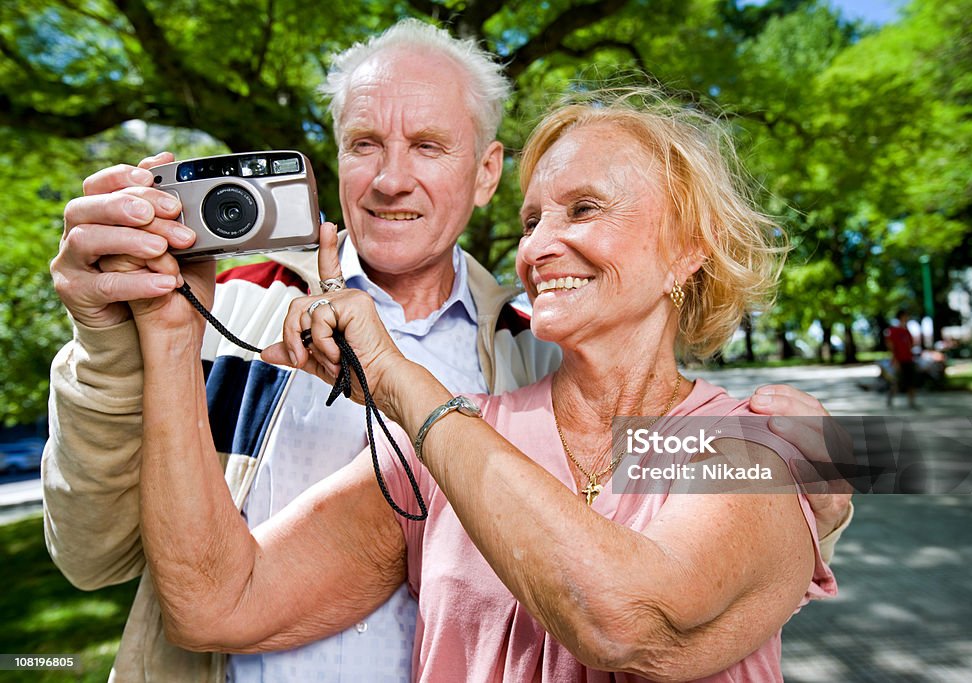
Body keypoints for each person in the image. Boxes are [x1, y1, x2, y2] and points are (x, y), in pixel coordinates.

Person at [43, 20, 851, 683]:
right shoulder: (449, 433)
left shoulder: (746, 435)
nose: (541, 246)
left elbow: (638, 617)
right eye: (535, 222)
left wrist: (816, 495)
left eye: (584, 207)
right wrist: (162, 335)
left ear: (687, 252)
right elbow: (212, 598)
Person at [884, 309, 918, 409]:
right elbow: (890, 345)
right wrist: (895, 359)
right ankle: (890, 397)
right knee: (897, 381)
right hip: (898, 360)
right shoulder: (894, 330)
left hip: (908, 359)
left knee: (911, 381)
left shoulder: (906, 331)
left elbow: (911, 344)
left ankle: (912, 402)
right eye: (905, 316)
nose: (907, 318)